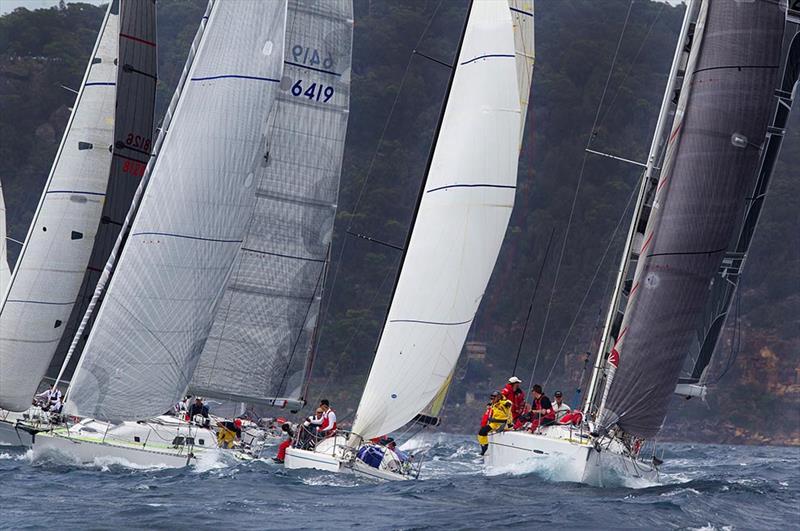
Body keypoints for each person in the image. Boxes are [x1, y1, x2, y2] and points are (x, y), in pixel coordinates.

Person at [476, 391, 513, 456]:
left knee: (488, 431)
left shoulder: (503, 403)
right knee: (481, 432)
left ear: (498, 397)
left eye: (493, 398)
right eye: (491, 398)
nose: (492, 400)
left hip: (503, 423)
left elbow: (509, 403)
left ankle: (485, 447)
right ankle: (484, 446)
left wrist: (504, 402)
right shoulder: (493, 404)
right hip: (495, 423)